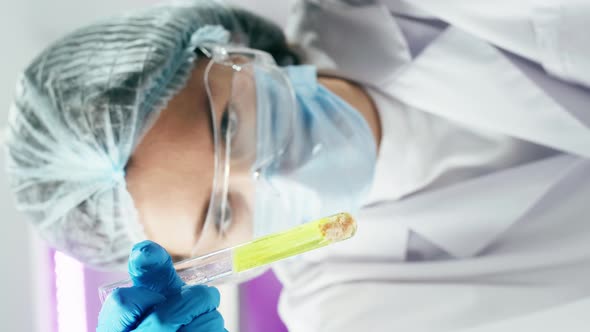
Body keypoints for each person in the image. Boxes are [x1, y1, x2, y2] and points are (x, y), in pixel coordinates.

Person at [4, 0, 590, 331]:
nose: (269, 174)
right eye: (223, 212)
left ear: (224, 45)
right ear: (209, 266)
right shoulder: (348, 313)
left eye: (230, 126)